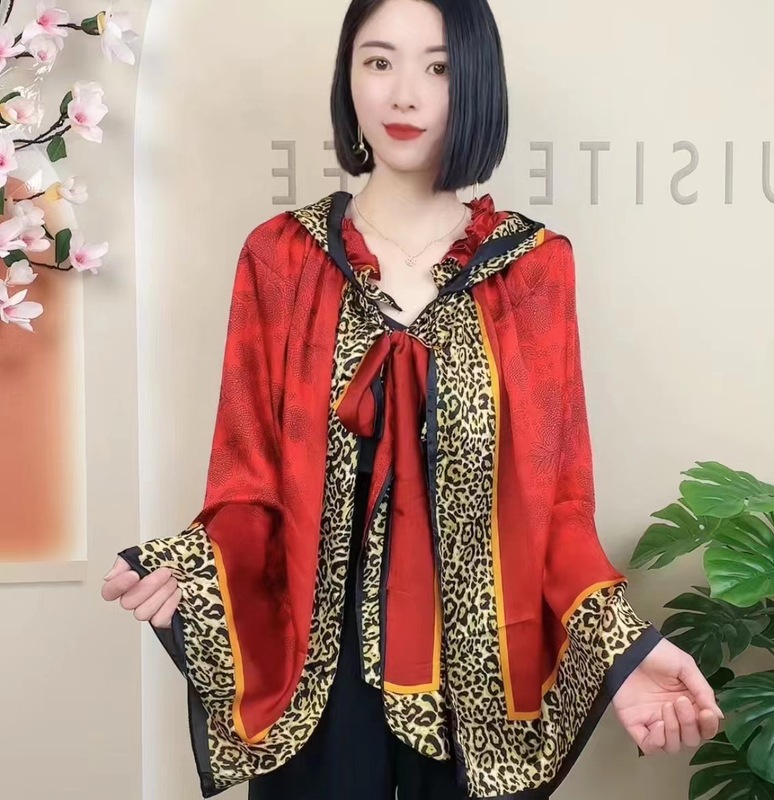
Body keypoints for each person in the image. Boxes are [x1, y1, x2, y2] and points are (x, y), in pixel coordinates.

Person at [101, 0, 723, 798]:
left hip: (478, 676)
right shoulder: (280, 259)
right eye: (379, 61)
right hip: (316, 672)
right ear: (348, 77)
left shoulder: (533, 269)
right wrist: (194, 567)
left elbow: (556, 505)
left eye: (439, 67)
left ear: (477, 84)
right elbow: (248, 487)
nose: (404, 93)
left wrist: (626, 652)